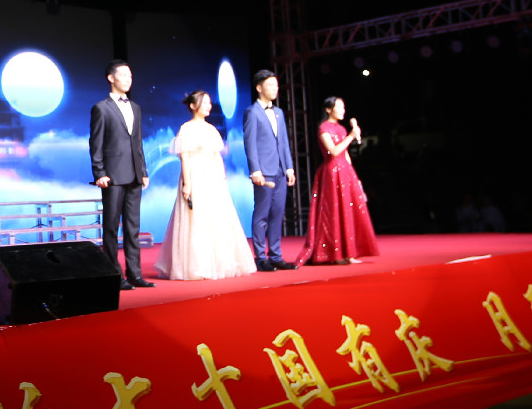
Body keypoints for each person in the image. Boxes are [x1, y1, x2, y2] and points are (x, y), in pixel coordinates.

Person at [154, 91, 256, 280]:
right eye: (204, 102)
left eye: (209, 102)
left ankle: (217, 263)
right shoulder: (186, 129)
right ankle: (196, 266)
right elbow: (184, 158)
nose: (209, 106)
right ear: (193, 106)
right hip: (195, 176)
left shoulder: (211, 129)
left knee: (215, 219)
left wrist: (222, 177)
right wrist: (187, 183)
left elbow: (217, 156)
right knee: (195, 219)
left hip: (213, 179)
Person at [295, 97, 379, 266]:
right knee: (334, 211)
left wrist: (355, 177)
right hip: (332, 172)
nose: (342, 111)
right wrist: (351, 136)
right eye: (338, 107)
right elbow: (333, 151)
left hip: (346, 172)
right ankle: (336, 254)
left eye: (343, 107)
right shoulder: (323, 128)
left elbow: (345, 154)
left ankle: (350, 253)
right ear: (328, 109)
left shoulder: (341, 128)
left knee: (349, 211)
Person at [90, 59, 152, 289]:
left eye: (130, 76)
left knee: (133, 227)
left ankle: (135, 274)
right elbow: (95, 143)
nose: (128, 79)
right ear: (111, 78)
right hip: (113, 176)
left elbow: (138, 143)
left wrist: (143, 171)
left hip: (134, 174)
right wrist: (99, 172)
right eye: (124, 75)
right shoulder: (101, 108)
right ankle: (115, 275)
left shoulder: (135, 107)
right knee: (111, 227)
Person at [243, 69, 296, 271]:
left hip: (280, 170)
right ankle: (260, 257)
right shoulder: (252, 112)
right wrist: (255, 170)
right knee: (262, 214)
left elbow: (284, 143)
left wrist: (289, 167)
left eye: (276, 85)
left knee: (277, 214)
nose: (275, 88)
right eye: (270, 85)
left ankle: (276, 255)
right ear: (259, 88)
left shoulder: (279, 113)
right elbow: (250, 144)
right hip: (264, 171)